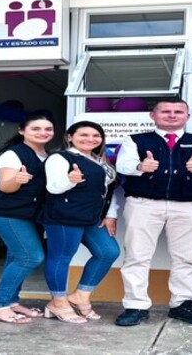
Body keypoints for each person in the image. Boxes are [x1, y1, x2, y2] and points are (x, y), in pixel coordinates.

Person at [114, 98, 192, 327]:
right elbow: (123, 165)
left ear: (187, 116)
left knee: (186, 258)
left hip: (189, 205)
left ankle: (183, 304)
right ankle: (135, 305)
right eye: (166, 111)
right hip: (143, 204)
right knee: (137, 256)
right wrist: (140, 167)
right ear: (153, 115)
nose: (172, 115)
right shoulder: (135, 139)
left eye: (178, 112)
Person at [40, 121, 120, 324]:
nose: (90, 139)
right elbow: (53, 188)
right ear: (69, 137)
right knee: (61, 257)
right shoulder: (60, 157)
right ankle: (57, 302)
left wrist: (110, 213)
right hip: (64, 216)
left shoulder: (99, 160)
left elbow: (107, 191)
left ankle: (80, 296)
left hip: (91, 218)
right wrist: (70, 179)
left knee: (108, 252)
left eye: (96, 135)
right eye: (83, 135)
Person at [0, 114, 55, 324]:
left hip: (28, 214)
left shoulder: (47, 156)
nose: (43, 133)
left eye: (48, 129)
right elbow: (6, 186)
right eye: (36, 129)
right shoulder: (12, 155)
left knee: (15, 257)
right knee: (30, 257)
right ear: (22, 131)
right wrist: (17, 179)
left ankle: (11, 302)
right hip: (6, 213)